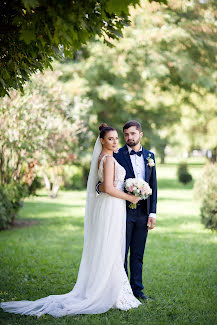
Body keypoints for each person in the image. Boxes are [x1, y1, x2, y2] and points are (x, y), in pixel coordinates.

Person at [0, 124, 142, 318]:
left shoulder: (105, 157)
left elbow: (101, 186)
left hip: (110, 207)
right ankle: (106, 292)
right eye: (111, 139)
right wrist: (131, 197)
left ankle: (111, 288)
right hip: (111, 207)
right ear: (102, 141)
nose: (115, 141)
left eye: (116, 138)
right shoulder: (108, 159)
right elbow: (108, 187)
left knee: (108, 247)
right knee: (110, 246)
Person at [97, 120, 157, 299]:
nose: (129, 137)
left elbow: (154, 185)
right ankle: (122, 291)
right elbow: (104, 180)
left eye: (132, 134)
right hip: (121, 210)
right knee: (120, 253)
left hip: (143, 212)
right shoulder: (116, 153)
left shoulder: (150, 156)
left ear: (140, 134)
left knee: (138, 254)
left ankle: (137, 291)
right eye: (126, 134)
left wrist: (152, 213)